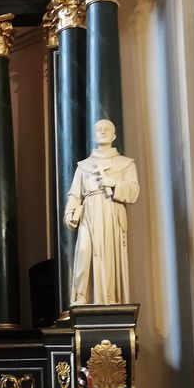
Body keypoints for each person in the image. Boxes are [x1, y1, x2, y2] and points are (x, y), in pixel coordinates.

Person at [64, 119, 139, 305]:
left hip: (111, 212)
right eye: (98, 129)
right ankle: (82, 295)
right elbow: (74, 194)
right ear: (94, 135)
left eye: (107, 129)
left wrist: (114, 183)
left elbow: (133, 191)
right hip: (89, 214)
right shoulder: (84, 166)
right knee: (84, 251)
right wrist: (70, 213)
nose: (103, 131)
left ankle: (110, 298)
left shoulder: (126, 164)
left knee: (108, 255)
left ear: (114, 135)